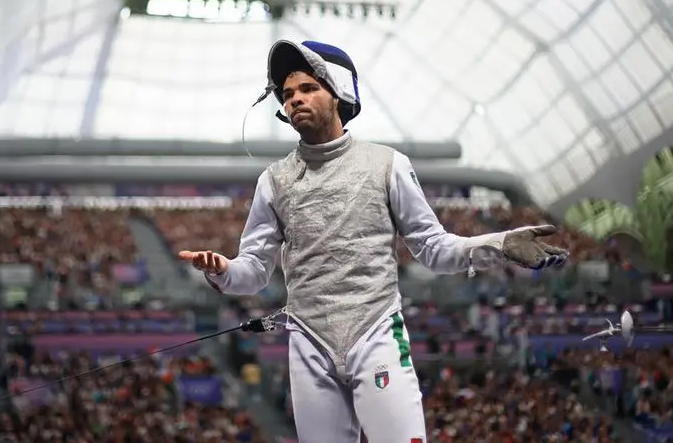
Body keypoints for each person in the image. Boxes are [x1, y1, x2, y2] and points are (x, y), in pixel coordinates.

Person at [178, 39, 569, 443]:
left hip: (377, 334)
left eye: (308, 88)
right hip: (309, 345)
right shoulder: (273, 181)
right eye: (288, 93)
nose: (295, 99)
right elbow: (255, 271)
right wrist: (224, 270)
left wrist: (500, 243)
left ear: (338, 93)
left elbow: (434, 248)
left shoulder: (387, 165)